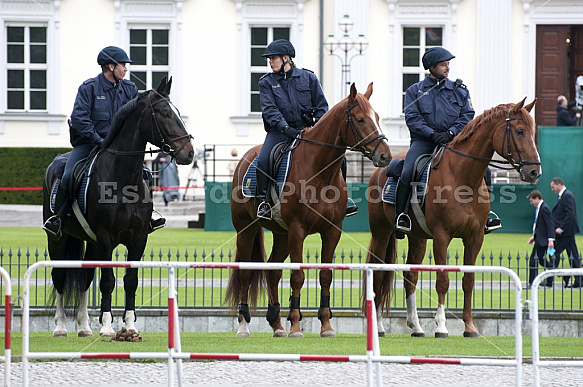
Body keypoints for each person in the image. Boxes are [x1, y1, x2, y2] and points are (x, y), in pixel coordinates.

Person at [43, 46, 165, 238]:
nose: (126, 69)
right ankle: (58, 219)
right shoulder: (89, 88)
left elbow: (136, 119)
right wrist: (99, 140)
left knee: (146, 174)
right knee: (67, 175)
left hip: (119, 149)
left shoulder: (130, 89)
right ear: (110, 66)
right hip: (90, 145)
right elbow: (79, 119)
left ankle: (147, 217)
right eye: (123, 65)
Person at [397, 47, 499, 236]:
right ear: (432, 67)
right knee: (408, 169)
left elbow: (468, 115)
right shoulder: (414, 91)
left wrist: (452, 132)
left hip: (454, 142)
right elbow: (412, 118)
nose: (447, 68)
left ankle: (486, 216)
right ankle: (402, 215)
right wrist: (432, 133)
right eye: (444, 65)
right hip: (424, 142)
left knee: (486, 170)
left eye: (448, 64)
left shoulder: (460, 90)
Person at [256, 39, 358, 220]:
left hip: (307, 130)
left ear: (286, 58)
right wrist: (285, 128)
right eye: (269, 59)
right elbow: (270, 110)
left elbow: (321, 106)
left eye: (273, 58)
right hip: (279, 132)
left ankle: (343, 199)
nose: (270, 62)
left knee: (340, 159)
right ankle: (264, 202)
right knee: (264, 160)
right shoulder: (266, 83)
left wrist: (319, 128)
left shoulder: (308, 78)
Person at [550, 177, 582, 287]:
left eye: (553, 187)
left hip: (565, 232)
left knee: (554, 252)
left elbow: (570, 214)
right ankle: (578, 280)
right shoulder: (564, 196)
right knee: (573, 255)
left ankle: (552, 277)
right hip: (568, 232)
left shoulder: (567, 195)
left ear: (559, 185)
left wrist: (561, 228)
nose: (552, 189)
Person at [526, 190, 555, 288]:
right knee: (541, 261)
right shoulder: (540, 208)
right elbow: (540, 226)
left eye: (532, 201)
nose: (531, 203)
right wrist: (534, 237)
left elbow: (549, 224)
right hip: (539, 239)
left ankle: (533, 283)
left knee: (533, 260)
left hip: (542, 240)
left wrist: (551, 239)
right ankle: (551, 277)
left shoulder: (544, 208)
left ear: (537, 198)